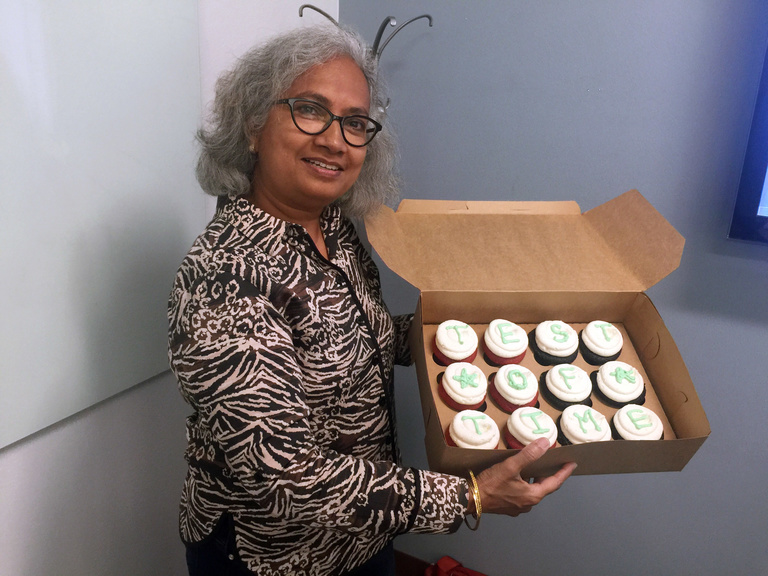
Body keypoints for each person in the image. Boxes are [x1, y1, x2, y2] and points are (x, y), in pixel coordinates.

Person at [167, 23, 576, 576]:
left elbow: (365, 335)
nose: (335, 140)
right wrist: (469, 498)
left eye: (356, 123)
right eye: (310, 109)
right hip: (274, 555)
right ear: (252, 125)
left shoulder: (332, 228)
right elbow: (287, 475)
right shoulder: (223, 278)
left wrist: (481, 335)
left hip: (365, 527)